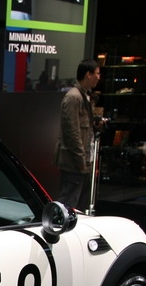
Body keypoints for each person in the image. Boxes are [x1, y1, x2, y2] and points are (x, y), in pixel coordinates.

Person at [54, 58, 100, 210]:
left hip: (82, 162)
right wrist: (81, 160)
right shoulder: (74, 97)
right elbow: (72, 133)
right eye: (97, 73)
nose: (99, 77)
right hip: (74, 163)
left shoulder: (84, 96)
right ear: (88, 74)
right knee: (68, 204)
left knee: (77, 205)